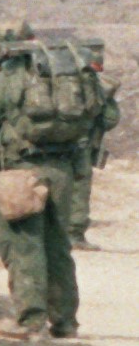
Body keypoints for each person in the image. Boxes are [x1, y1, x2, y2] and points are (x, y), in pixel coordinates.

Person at [0, 21, 104, 340]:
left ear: (0, 46)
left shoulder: (4, 81)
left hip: (20, 172)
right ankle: (65, 322)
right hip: (62, 169)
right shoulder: (67, 77)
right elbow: (103, 114)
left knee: (23, 245)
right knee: (58, 245)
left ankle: (30, 321)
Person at [67, 41, 121, 249]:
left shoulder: (58, 83)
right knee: (79, 187)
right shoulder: (96, 87)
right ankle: (74, 235)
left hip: (53, 145)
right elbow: (109, 120)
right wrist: (109, 101)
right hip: (82, 145)